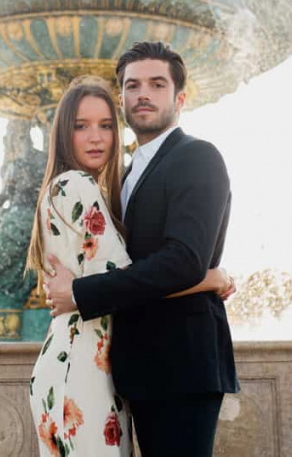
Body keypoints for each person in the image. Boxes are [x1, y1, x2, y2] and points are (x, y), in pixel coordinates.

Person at [45, 42, 240, 456]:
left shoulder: (198, 157)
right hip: (136, 369)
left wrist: (81, 294)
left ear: (180, 97)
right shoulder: (125, 174)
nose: (143, 94)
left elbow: (183, 260)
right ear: (122, 99)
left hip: (182, 365)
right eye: (132, 86)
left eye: (157, 83)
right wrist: (211, 278)